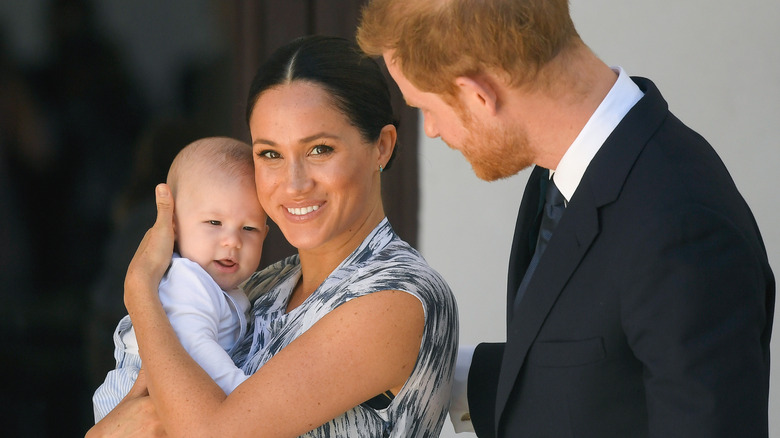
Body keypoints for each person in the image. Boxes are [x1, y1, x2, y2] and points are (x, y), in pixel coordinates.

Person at [357, 1, 775, 437]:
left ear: (479, 95)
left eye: (426, 107)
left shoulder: (683, 227)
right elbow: (598, 373)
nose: (431, 130)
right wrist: (428, 367)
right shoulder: (565, 169)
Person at [86, 35, 458, 438]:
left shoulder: (397, 297)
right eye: (270, 154)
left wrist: (140, 289)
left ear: (381, 147)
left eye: (319, 150)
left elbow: (211, 433)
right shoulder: (263, 285)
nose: (294, 184)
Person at [92, 136, 268, 422]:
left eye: (249, 229)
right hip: (138, 401)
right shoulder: (187, 280)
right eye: (214, 223)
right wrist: (242, 393)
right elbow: (195, 346)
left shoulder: (225, 287)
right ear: (172, 225)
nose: (233, 241)